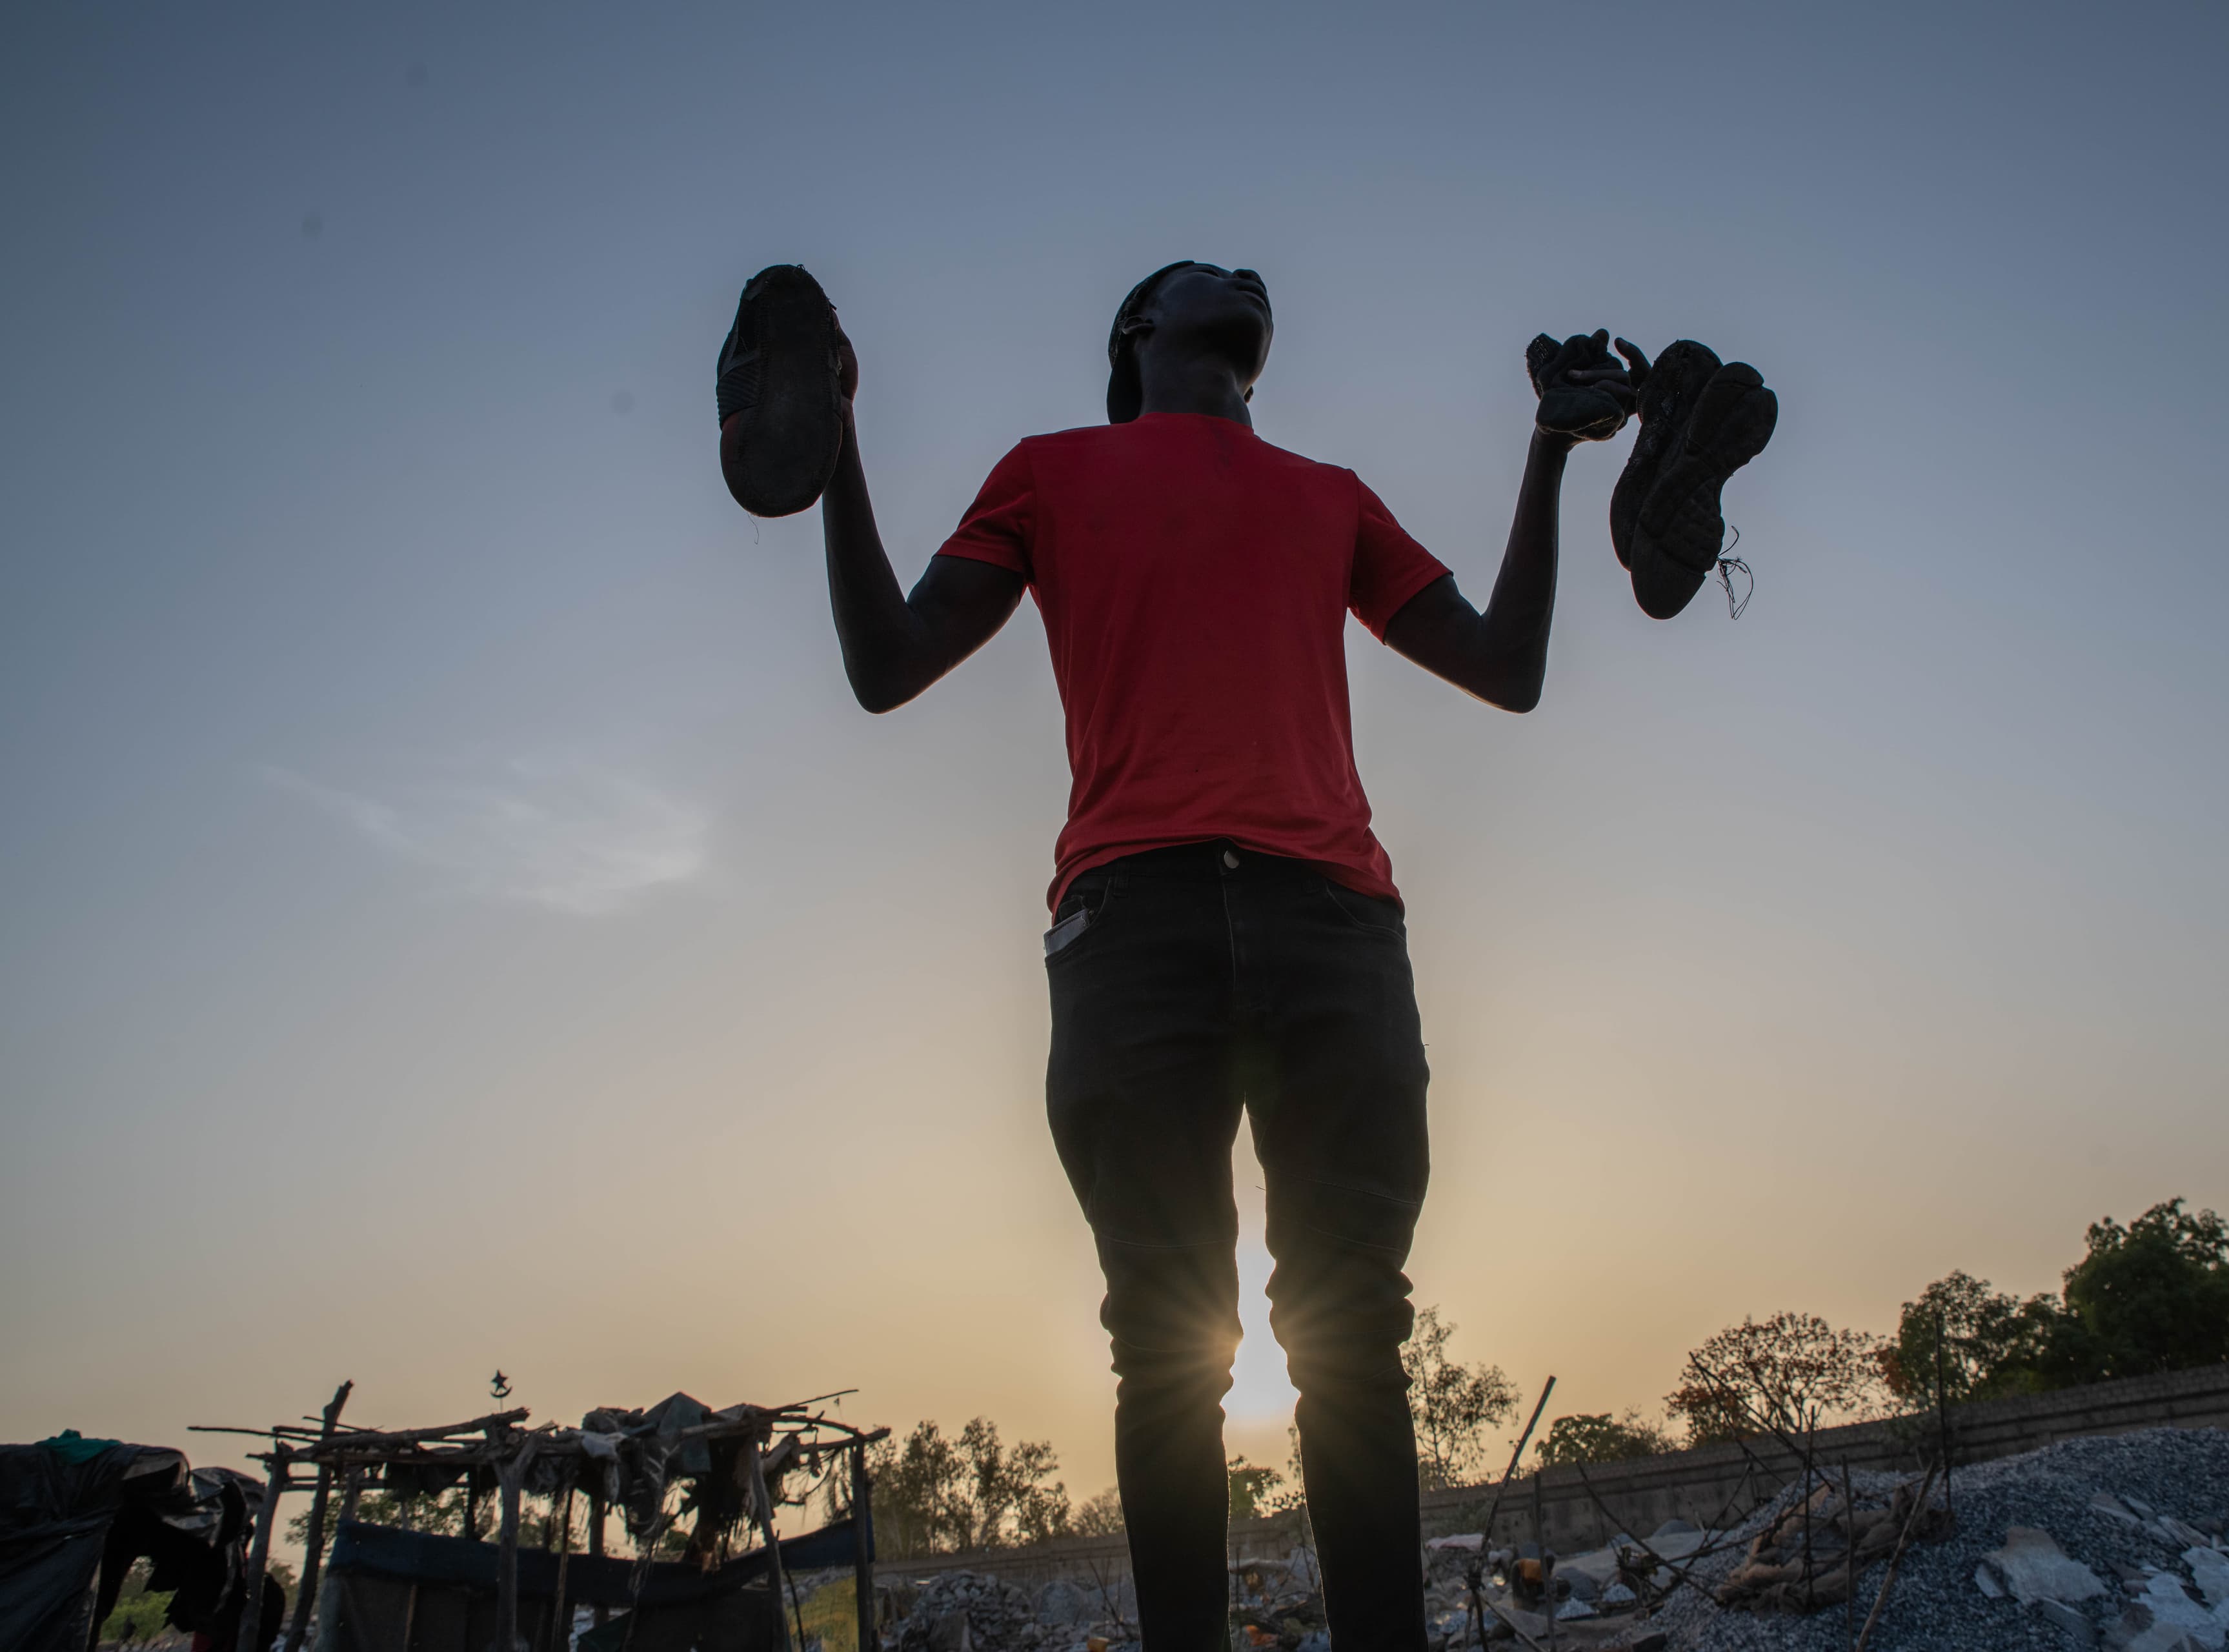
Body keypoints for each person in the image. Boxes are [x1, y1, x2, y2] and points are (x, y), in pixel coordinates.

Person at [716, 261, 1770, 1651]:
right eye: (1204, 270)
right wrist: (840, 439)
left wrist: (1551, 456)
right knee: (1167, 1343)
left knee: (1352, 1335)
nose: (1247, 273)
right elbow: (887, 660)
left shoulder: (1331, 495)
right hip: (1132, 926)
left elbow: (1508, 666)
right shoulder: (1048, 473)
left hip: (1329, 920)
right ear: (1140, 329)